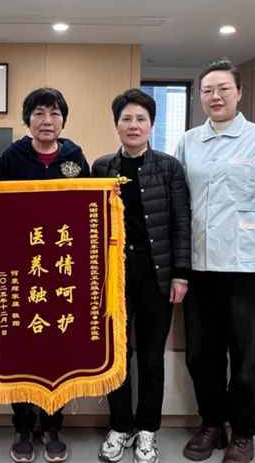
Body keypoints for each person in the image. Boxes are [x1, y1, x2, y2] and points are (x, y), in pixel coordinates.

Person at [174, 61, 255, 463]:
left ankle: (243, 430)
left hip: (247, 267)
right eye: (207, 90)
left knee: (246, 355)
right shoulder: (188, 141)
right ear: (199, 97)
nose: (215, 96)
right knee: (201, 353)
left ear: (239, 92)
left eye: (223, 88)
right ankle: (211, 423)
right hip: (200, 266)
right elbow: (179, 203)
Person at [92, 89, 191, 463]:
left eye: (141, 119)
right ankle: (120, 426)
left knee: (151, 356)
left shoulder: (168, 167)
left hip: (157, 274)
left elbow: (181, 223)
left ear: (151, 125)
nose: (133, 125)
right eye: (126, 119)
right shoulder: (102, 167)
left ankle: (147, 429)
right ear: (116, 124)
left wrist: (180, 275)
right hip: (113, 277)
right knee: (116, 355)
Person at [0, 87, 90, 463]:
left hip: (62, 269)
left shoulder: (74, 156)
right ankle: (22, 425)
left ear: (63, 120)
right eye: (38, 113)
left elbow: (88, 207)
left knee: (58, 348)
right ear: (27, 119)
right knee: (22, 348)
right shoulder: (12, 156)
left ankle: (52, 425)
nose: (47, 120)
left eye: (54, 113)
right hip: (22, 266)